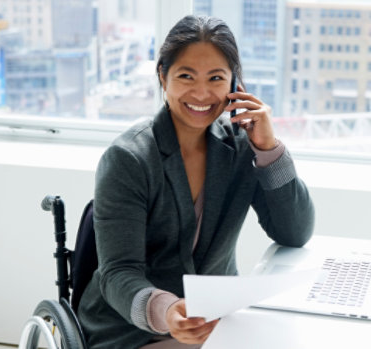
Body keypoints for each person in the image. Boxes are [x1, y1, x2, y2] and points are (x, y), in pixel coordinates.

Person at [78, 15, 315, 349]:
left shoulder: (242, 146)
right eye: (186, 76)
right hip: (133, 330)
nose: (201, 93)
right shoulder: (128, 158)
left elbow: (294, 232)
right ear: (163, 77)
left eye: (216, 78)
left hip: (217, 321)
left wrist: (268, 149)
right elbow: (118, 273)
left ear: (235, 84)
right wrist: (167, 310)